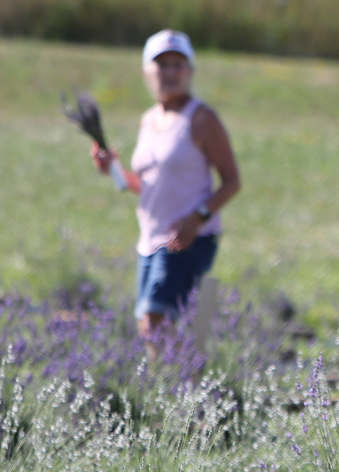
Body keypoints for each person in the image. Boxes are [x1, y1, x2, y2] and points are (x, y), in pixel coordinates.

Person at [91, 30, 241, 335]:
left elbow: (231, 182)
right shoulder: (149, 120)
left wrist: (197, 219)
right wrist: (114, 170)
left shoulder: (201, 119)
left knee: (156, 320)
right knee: (149, 323)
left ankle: (172, 380)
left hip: (187, 237)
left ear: (190, 71)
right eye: (162, 64)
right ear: (147, 72)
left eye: (178, 64)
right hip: (150, 238)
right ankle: (181, 379)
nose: (170, 72)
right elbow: (148, 185)